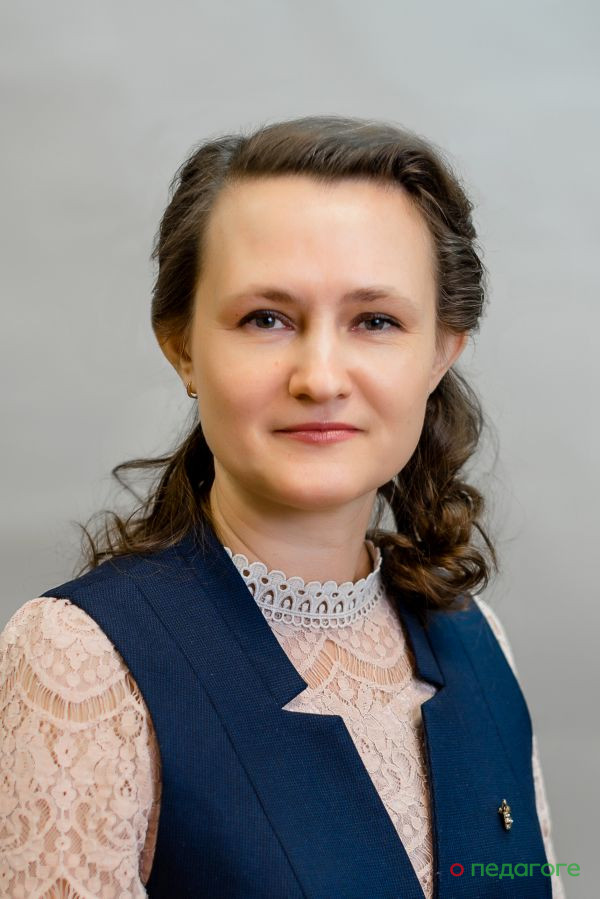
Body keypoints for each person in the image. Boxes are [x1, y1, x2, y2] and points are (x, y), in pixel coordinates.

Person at [0, 116, 564, 898]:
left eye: (375, 320)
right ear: (182, 345)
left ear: (442, 351)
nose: (320, 377)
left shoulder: (479, 639)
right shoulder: (81, 661)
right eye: (266, 318)